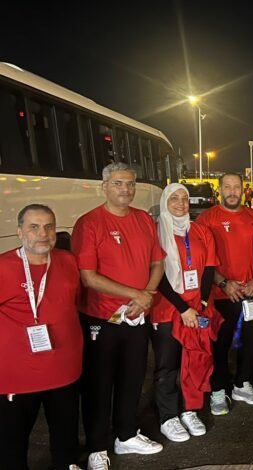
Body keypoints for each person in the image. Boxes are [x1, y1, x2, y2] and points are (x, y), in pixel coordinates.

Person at [72, 162, 165, 468]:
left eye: (130, 183)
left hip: (137, 315)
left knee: (133, 377)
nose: (125, 189)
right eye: (118, 183)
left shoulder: (143, 220)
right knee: (99, 383)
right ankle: (97, 447)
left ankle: (126, 435)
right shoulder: (89, 223)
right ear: (104, 187)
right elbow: (88, 277)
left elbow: (157, 264)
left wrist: (146, 295)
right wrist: (135, 294)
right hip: (101, 317)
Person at [0, 205, 82, 470]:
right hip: (17, 374)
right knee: (12, 443)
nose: (43, 234)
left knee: (66, 436)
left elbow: (74, 302)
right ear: (19, 232)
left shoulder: (68, 261)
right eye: (34, 227)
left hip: (64, 369)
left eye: (48, 227)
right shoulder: (3, 267)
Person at [152, 183, 220, 443]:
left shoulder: (200, 231)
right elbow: (156, 274)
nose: (180, 204)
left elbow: (209, 268)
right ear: (165, 202)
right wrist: (183, 308)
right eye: (174, 199)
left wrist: (200, 303)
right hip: (168, 308)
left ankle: (190, 409)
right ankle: (169, 416)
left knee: (195, 359)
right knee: (168, 365)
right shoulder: (156, 233)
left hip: (198, 306)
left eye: (184, 198)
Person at [196, 172, 253, 415]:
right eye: (228, 187)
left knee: (251, 340)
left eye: (237, 187)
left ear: (243, 190)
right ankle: (218, 390)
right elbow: (201, 259)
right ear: (220, 189)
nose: (233, 191)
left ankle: (242, 384)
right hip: (221, 294)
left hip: (250, 292)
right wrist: (223, 282)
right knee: (220, 344)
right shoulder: (207, 219)